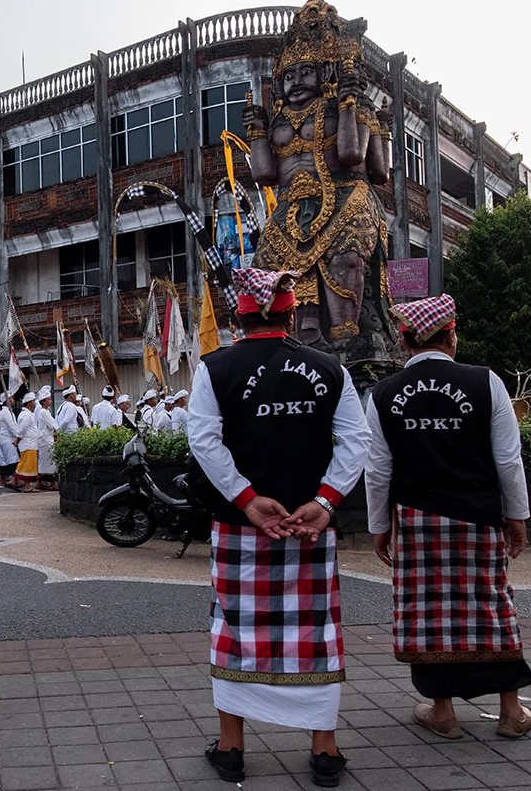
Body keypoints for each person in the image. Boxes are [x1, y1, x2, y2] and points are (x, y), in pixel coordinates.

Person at [188, 268, 370, 787]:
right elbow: (356, 441)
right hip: (311, 526)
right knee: (317, 632)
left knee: (235, 630)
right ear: (291, 313)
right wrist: (325, 501)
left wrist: (247, 500)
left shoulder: (215, 367)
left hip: (242, 526)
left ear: (238, 316)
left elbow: (204, 441)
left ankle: (231, 747)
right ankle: (324, 749)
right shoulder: (329, 367)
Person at [366, 293, 531, 742]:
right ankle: (511, 710)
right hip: (479, 516)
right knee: (491, 606)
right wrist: (516, 514)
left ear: (404, 342)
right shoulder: (486, 382)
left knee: (426, 613)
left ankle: (443, 712)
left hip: (417, 518)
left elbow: (378, 470)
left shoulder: (382, 394)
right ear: (452, 337)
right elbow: (508, 460)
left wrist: (379, 526)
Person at [0, 393, 21, 488]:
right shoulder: (5, 412)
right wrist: (19, 436)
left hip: (3, 438)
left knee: (4, 461)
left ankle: (3, 481)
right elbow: (12, 427)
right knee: (13, 460)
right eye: (11, 398)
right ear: (7, 401)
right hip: (7, 439)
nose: (13, 400)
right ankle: (14, 481)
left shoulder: (4, 411)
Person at [13, 392, 39, 491]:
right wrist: (17, 440)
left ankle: (15, 480)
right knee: (26, 466)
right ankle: (26, 485)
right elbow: (22, 429)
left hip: (31, 444)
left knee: (26, 465)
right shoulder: (26, 415)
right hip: (28, 444)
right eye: (32, 401)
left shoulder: (28, 414)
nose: (34, 403)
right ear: (28, 403)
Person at [35, 387, 59, 490]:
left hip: (45, 440)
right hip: (45, 440)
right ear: (44, 401)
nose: (51, 401)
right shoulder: (43, 412)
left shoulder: (45, 411)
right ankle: (46, 482)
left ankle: (41, 482)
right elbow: (53, 425)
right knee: (48, 463)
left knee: (46, 462)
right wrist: (58, 433)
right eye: (48, 399)